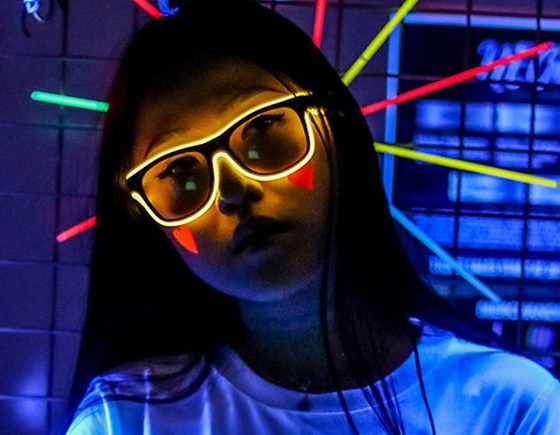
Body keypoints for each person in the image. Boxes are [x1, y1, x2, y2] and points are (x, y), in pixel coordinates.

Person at [60, 1, 560, 434]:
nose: (233, 190)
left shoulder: (512, 407)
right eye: (180, 174)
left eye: (263, 133)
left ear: (337, 131)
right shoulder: (124, 418)